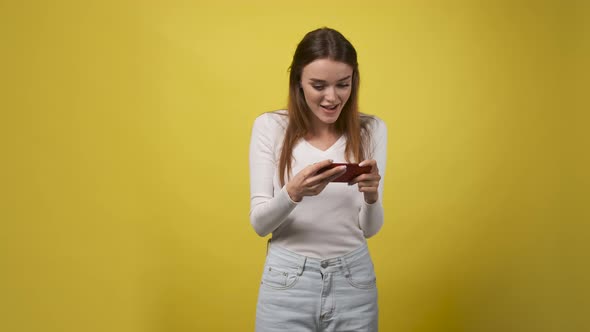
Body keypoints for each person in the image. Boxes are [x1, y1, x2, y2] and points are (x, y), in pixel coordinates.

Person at [248, 27, 387, 332]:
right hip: (287, 282)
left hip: (354, 281)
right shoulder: (270, 127)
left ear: (354, 81)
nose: (332, 97)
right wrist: (293, 192)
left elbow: (371, 229)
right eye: (318, 85)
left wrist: (372, 196)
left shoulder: (371, 130)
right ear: (298, 81)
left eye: (343, 84)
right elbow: (260, 225)